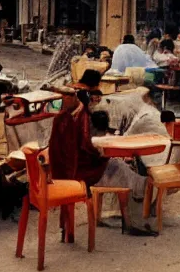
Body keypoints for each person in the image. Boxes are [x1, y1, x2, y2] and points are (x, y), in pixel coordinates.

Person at [48, 90, 150, 235]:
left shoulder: (63, 118)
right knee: (121, 170)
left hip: (67, 172)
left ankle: (129, 212)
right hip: (80, 174)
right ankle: (130, 221)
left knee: (118, 166)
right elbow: (85, 148)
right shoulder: (77, 119)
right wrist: (101, 155)